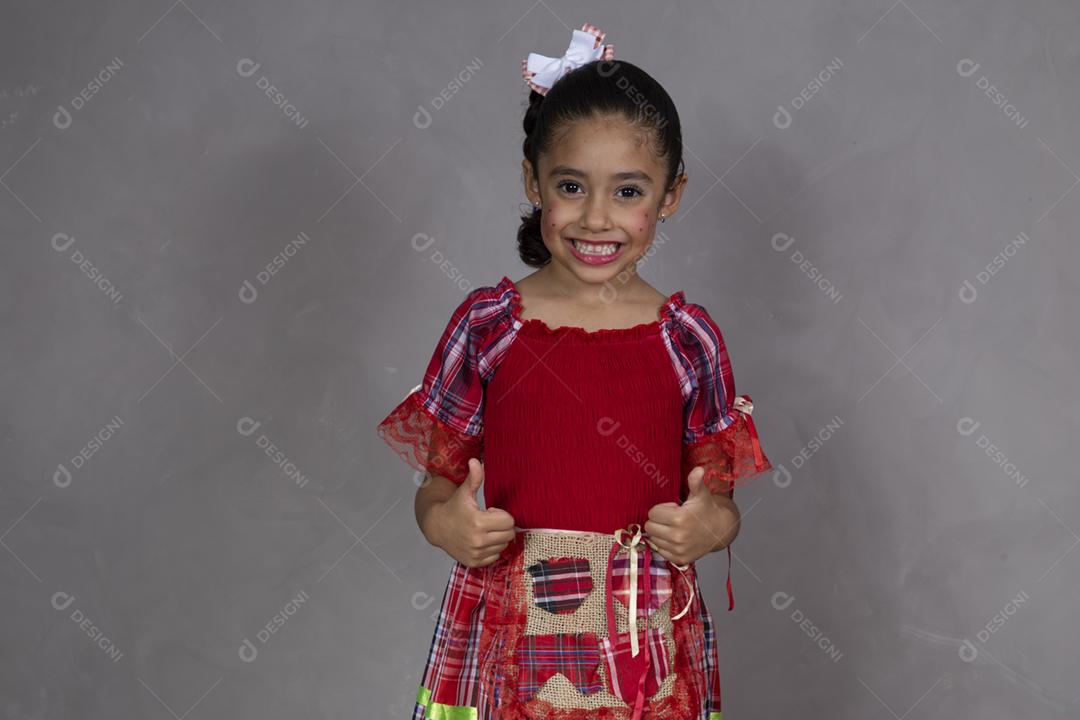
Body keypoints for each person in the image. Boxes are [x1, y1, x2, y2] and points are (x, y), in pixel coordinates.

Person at [377, 22, 773, 720]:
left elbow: (717, 500)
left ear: (670, 196)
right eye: (571, 185)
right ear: (533, 181)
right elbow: (435, 492)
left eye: (628, 192)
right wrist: (447, 527)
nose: (596, 219)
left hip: (640, 641)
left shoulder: (689, 342)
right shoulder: (488, 328)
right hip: (508, 640)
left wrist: (711, 527)